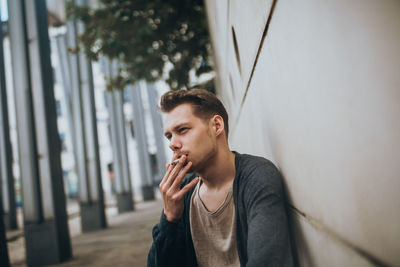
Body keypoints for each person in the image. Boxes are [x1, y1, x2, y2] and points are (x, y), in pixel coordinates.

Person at [147, 89, 294, 267]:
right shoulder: (183, 193)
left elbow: (269, 260)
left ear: (216, 126)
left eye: (182, 130)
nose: (172, 144)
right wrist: (169, 218)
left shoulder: (255, 176)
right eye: (169, 136)